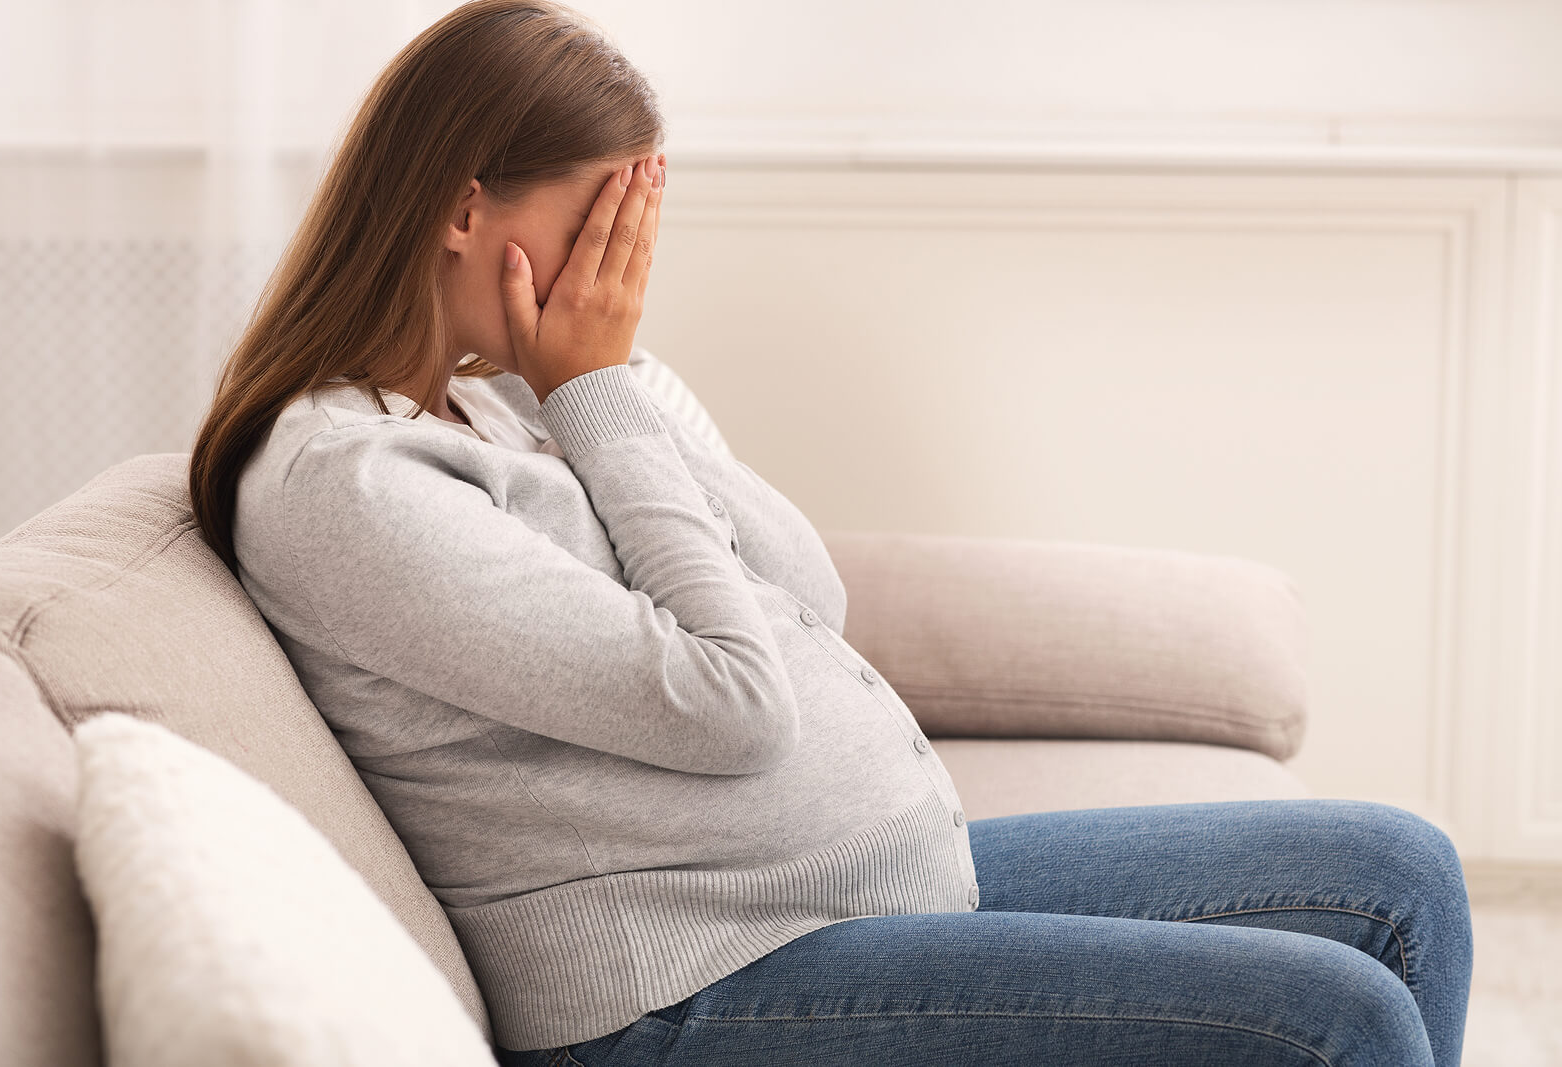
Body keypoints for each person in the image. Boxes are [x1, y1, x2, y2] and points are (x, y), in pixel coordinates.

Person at [188, 2, 1474, 1063]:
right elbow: (729, 699)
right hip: (679, 985)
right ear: (464, 211)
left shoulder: (486, 394)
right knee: (1336, 1018)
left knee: (1397, 869)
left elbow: (806, 590)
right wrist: (588, 392)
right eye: (597, 225)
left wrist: (601, 389)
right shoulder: (343, 485)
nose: (612, 276)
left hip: (822, 893)